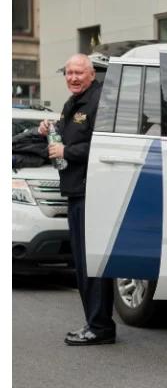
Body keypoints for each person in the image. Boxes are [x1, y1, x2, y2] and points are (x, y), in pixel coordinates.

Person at [42, 54, 118, 346]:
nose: (73, 78)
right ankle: (96, 323)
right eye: (69, 73)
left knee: (91, 263)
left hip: (92, 192)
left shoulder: (99, 101)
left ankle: (100, 326)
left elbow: (102, 144)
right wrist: (50, 132)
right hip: (76, 190)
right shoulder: (73, 102)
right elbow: (68, 137)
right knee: (83, 262)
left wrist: (67, 152)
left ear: (92, 75)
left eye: (79, 73)